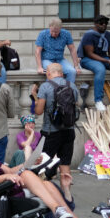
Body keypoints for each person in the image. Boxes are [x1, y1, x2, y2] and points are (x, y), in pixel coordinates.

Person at [34, 63, 78, 194]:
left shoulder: (45, 86)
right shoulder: (72, 86)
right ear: (61, 73)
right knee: (65, 165)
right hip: (69, 130)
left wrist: (35, 98)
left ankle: (43, 195)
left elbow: (39, 111)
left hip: (50, 132)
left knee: (43, 165)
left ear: (49, 73)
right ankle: (67, 195)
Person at [35, 18, 81, 83]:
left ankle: (68, 91)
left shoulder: (66, 34)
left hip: (60, 59)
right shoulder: (42, 34)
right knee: (53, 71)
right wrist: (39, 67)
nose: (53, 34)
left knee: (72, 71)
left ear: (60, 29)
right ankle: (51, 91)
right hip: (47, 59)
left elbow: (72, 49)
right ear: (49, 28)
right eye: (52, 31)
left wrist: (76, 66)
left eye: (56, 32)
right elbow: (37, 51)